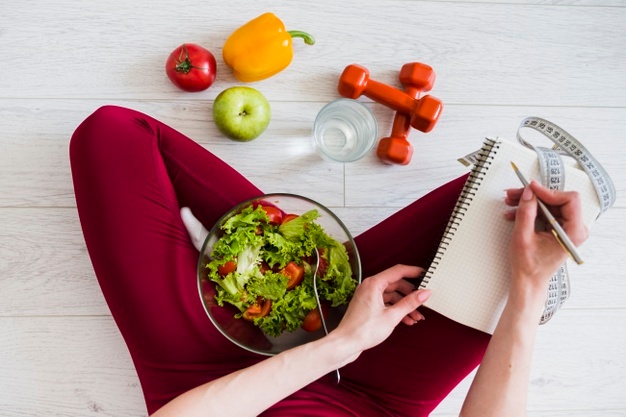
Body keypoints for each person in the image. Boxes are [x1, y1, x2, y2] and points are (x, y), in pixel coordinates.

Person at [69, 106, 588, 417]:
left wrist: (344, 342)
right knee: (525, 205)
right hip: (373, 396)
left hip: (204, 380)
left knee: (112, 133)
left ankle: (301, 274)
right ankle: (310, 275)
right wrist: (530, 284)